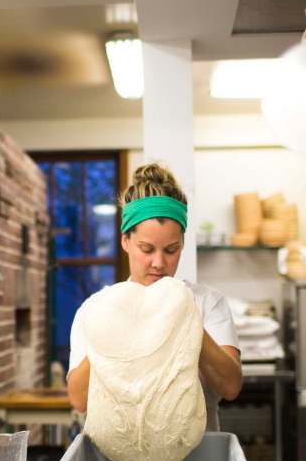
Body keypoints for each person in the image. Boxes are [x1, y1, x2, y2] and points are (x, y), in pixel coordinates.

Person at [66, 163, 242, 431]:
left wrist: (188, 320)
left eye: (171, 249)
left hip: (198, 460)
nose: (159, 262)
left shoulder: (207, 303)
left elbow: (230, 387)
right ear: (125, 241)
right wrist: (111, 334)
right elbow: (79, 400)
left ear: (182, 244)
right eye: (146, 249)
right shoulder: (97, 309)